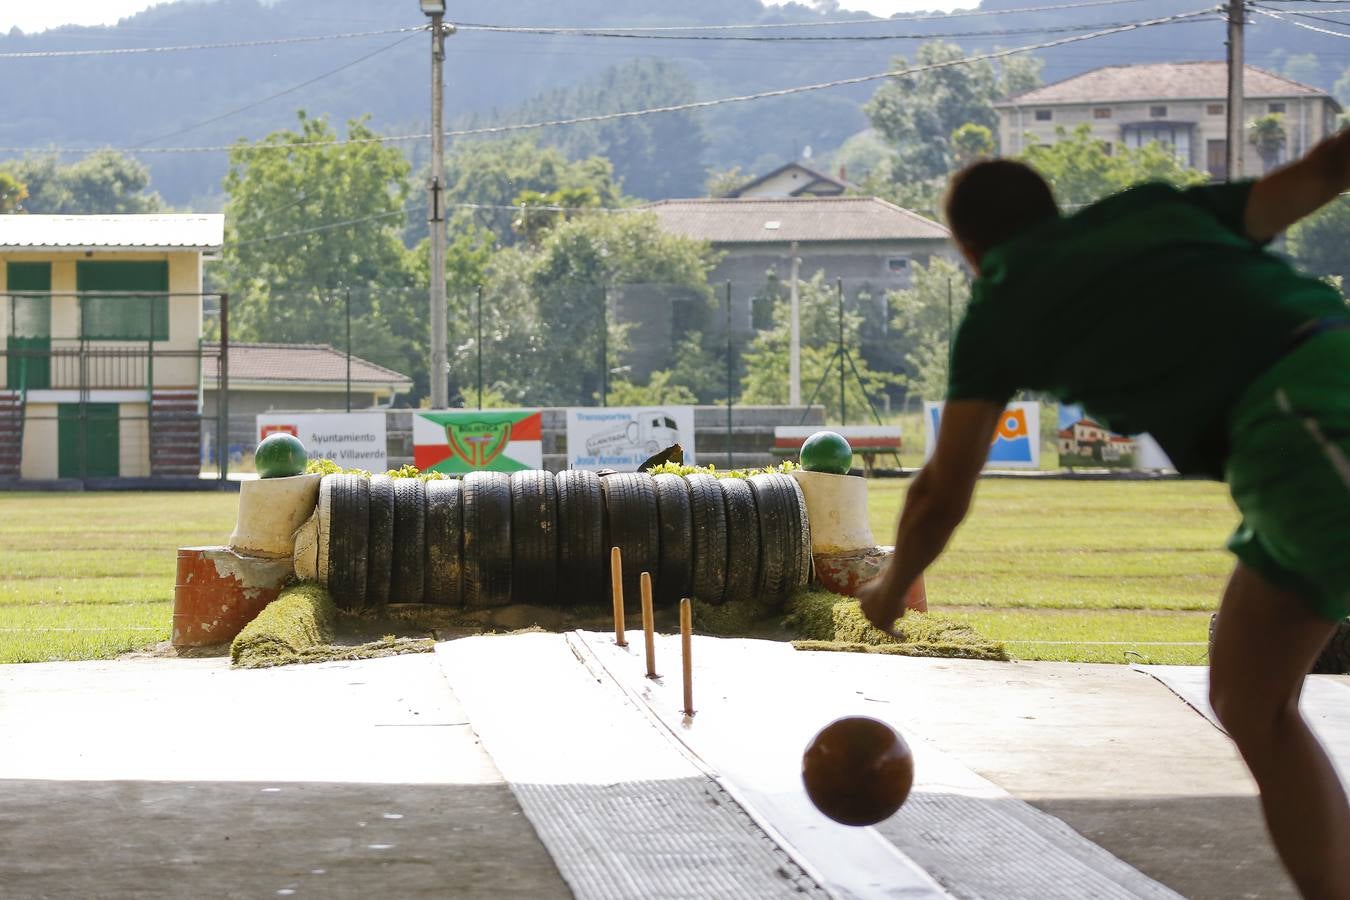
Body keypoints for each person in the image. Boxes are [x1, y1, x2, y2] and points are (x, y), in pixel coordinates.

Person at [857, 137, 1350, 899]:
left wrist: (891, 592)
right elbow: (1323, 171)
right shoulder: (1156, 209)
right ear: (1053, 212)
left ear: (969, 249)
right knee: (1249, 697)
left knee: (1259, 701)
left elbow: (940, 492)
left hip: (1307, 418)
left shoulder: (1002, 302)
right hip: (1293, 430)